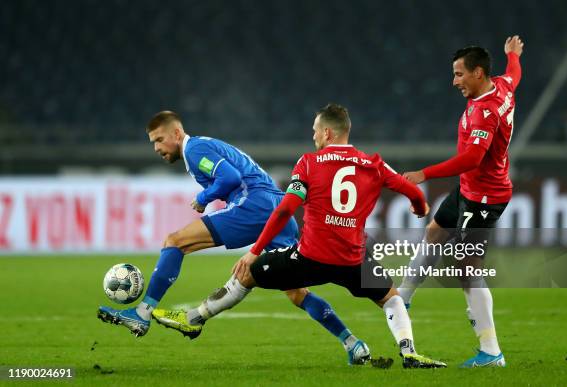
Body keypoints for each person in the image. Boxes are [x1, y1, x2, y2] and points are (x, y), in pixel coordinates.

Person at [155, 104, 446, 368]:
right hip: (352, 259)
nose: (314, 137)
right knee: (391, 298)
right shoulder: (374, 165)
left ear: (328, 133)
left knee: (247, 274)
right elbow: (411, 190)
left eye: (316, 132)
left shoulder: (308, 163)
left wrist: (255, 250)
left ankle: (194, 319)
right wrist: (419, 206)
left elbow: (283, 212)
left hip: (311, 257)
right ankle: (408, 352)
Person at [97, 111, 371, 365]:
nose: (157, 148)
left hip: (254, 204)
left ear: (177, 134)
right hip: (276, 211)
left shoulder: (193, 149)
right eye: (153, 142)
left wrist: (203, 198)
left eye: (159, 140)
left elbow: (230, 177)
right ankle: (352, 343)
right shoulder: (202, 146)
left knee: (174, 241)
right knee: (296, 291)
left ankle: (142, 314)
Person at [399, 36, 524, 368]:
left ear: (478, 73)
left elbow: (471, 158)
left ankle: (491, 351)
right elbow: (514, 74)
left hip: (484, 197)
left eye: (459, 74)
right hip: (468, 190)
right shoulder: (501, 85)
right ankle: (404, 297)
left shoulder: (485, 113)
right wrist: (512, 55)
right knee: (435, 233)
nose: (454, 81)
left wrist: (424, 174)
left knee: (466, 269)